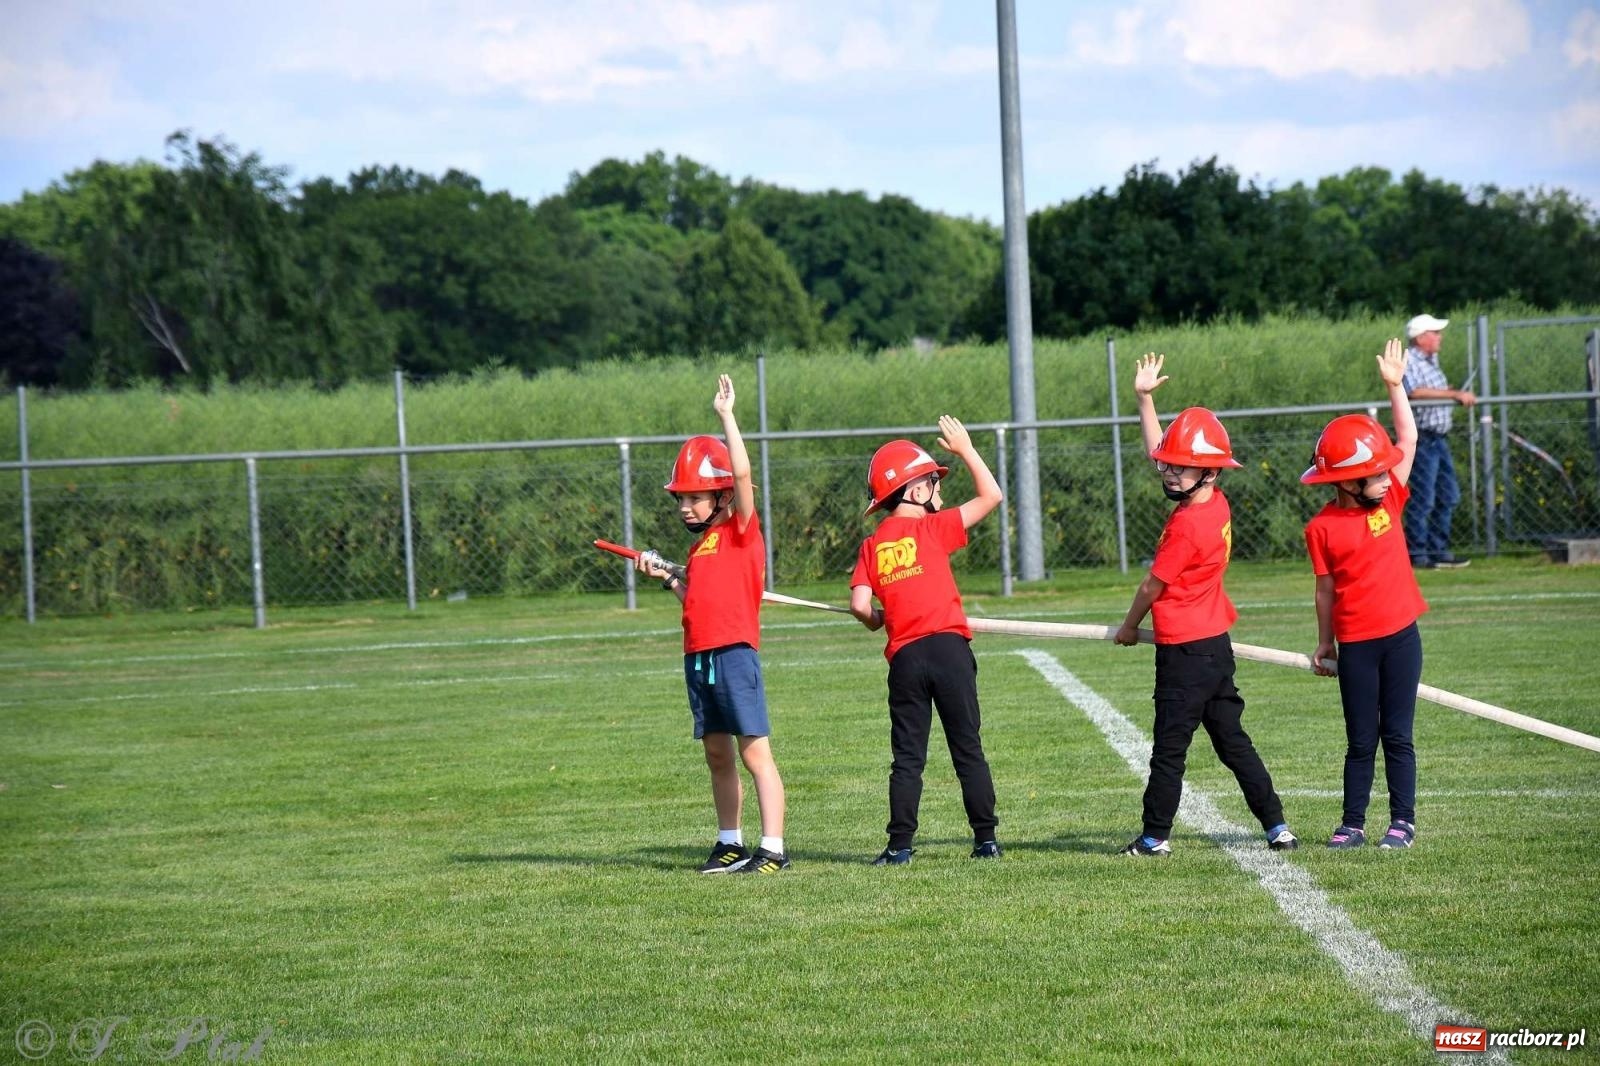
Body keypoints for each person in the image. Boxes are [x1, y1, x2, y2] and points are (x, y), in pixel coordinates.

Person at [1114, 353, 1298, 857]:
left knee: (1169, 751)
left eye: (1182, 468)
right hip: (1216, 646)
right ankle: (1277, 826)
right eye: (1170, 465)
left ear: (1210, 472)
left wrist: (1128, 627)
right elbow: (1160, 449)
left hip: (1184, 652)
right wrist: (1144, 399)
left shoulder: (1187, 527)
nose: (1170, 473)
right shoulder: (1214, 502)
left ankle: (1154, 838)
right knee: (1233, 743)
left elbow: (1151, 588)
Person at [636, 374, 789, 874]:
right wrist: (667, 579)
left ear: (721, 497)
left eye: (695, 498)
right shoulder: (699, 547)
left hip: (734, 655)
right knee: (717, 755)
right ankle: (730, 843)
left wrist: (726, 416)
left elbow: (742, 475)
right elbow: (697, 602)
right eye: (680, 499)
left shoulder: (742, 530)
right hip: (699, 656)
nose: (684, 507)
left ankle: (773, 849)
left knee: (754, 754)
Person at [849, 416, 1004, 866]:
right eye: (935, 484)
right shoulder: (932, 529)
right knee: (967, 748)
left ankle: (899, 846)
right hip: (949, 651)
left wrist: (878, 620)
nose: (941, 493)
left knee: (907, 757)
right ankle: (986, 841)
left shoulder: (872, 545)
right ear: (916, 492)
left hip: (906, 658)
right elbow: (991, 496)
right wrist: (967, 450)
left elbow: (860, 606)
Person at [1301, 338, 1427, 851]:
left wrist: (1396, 386)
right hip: (1356, 645)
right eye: (1373, 473)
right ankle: (1352, 823)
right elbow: (1324, 591)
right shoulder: (1321, 527)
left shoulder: (1389, 499)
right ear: (1348, 481)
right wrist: (1325, 643)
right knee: (1360, 740)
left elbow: (1409, 439)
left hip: (1401, 638)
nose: (1383, 476)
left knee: (1397, 734)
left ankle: (1402, 822)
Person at [1400, 313, 1474, 569]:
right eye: (1435, 333)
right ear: (1421, 338)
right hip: (1424, 440)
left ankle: (1438, 550)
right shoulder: (1410, 360)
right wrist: (1453, 394)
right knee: (1424, 498)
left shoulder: (1431, 362)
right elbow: (1414, 392)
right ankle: (1418, 553)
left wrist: (1447, 393)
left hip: (1439, 439)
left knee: (1448, 495)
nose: (1440, 337)